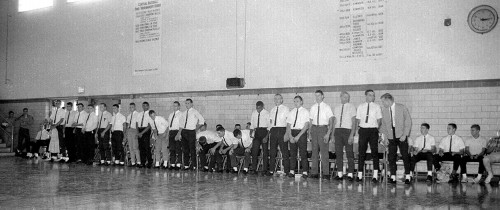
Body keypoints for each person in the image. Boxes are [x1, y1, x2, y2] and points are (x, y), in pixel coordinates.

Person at [379, 93, 412, 184]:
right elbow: (384, 125)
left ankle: (408, 176)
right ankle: (393, 176)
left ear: (388, 100)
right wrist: (385, 138)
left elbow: (408, 121)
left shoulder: (401, 107)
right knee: (391, 157)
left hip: (401, 135)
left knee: (405, 156)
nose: (382, 104)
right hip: (390, 136)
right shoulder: (384, 110)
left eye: (383, 101)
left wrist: (405, 135)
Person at [355, 89, 382, 182]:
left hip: (373, 130)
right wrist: (360, 128)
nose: (372, 97)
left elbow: (379, 120)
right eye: (370, 95)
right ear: (366, 96)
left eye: (373, 95)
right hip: (363, 130)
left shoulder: (377, 107)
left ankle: (375, 175)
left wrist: (376, 129)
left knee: (374, 152)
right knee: (361, 152)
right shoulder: (360, 106)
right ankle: (359, 175)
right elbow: (357, 119)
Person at [309, 90, 334, 179]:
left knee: (324, 153)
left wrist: (328, 133)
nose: (317, 97)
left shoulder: (327, 107)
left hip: (323, 129)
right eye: (316, 96)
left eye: (319, 95)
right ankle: (314, 172)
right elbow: (311, 121)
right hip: (314, 129)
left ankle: (326, 173)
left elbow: (331, 121)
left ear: (323, 96)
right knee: (314, 152)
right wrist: (309, 133)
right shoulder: (313, 107)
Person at [332, 92, 357, 181]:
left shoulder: (352, 107)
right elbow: (334, 123)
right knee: (338, 153)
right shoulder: (336, 107)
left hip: (347, 131)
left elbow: (354, 122)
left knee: (349, 153)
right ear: (341, 97)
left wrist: (352, 135)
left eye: (347, 97)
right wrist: (333, 135)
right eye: (344, 97)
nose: (346, 98)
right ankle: (339, 174)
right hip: (338, 131)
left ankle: (350, 173)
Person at [176, 99, 205, 170]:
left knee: (192, 149)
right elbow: (181, 124)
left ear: (192, 104)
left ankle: (194, 165)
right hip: (184, 131)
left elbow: (202, 121)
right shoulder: (184, 113)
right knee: (185, 149)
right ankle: (186, 165)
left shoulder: (195, 112)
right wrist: (179, 133)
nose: (187, 105)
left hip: (191, 131)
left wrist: (196, 129)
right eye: (186, 103)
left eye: (188, 103)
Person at [286, 95, 310, 178]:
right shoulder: (291, 112)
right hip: (293, 132)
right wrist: (290, 136)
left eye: (297, 101)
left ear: (301, 102)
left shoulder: (305, 111)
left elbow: (306, 125)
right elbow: (288, 125)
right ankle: (292, 171)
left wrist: (298, 136)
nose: (296, 103)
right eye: (294, 101)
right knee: (293, 154)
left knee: (303, 153)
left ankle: (305, 172)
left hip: (301, 133)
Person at [268, 94, 290, 176]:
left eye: (278, 99)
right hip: (273, 130)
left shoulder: (286, 109)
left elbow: (288, 122)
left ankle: (287, 171)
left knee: (284, 152)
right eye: (275, 99)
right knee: (272, 152)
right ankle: (271, 170)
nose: (277, 100)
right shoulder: (272, 110)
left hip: (282, 130)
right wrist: (270, 131)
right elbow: (270, 122)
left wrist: (287, 133)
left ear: (282, 100)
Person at [249, 101, 270, 175]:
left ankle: (264, 169)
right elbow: (252, 123)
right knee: (254, 151)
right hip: (257, 131)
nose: (258, 109)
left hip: (264, 131)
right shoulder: (254, 113)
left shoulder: (267, 113)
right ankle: (254, 168)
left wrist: (266, 136)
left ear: (262, 106)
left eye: (259, 108)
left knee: (265, 152)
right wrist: (251, 132)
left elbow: (269, 126)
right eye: (256, 108)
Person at [137, 102, 153, 168]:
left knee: (147, 147)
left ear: (148, 106)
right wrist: (138, 132)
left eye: (146, 106)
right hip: (139, 130)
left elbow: (149, 126)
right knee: (141, 147)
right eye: (143, 105)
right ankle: (142, 162)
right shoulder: (140, 114)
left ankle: (149, 162)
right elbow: (136, 123)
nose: (144, 107)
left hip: (146, 131)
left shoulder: (150, 114)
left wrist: (141, 133)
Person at [125, 103, 141, 167]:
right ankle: (133, 162)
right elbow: (127, 125)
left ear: (135, 107)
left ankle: (139, 162)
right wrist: (126, 133)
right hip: (129, 130)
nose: (131, 108)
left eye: (132, 107)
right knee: (131, 147)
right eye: (130, 107)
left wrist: (137, 132)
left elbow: (137, 124)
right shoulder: (129, 116)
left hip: (134, 130)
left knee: (135, 147)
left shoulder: (138, 114)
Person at [167, 101, 182, 169]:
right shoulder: (170, 114)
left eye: (176, 106)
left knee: (178, 148)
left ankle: (178, 164)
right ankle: (172, 163)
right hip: (171, 132)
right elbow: (169, 125)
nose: (174, 107)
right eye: (174, 106)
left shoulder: (181, 114)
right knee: (172, 148)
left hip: (177, 131)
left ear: (179, 107)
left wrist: (179, 134)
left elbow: (182, 125)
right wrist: (168, 133)